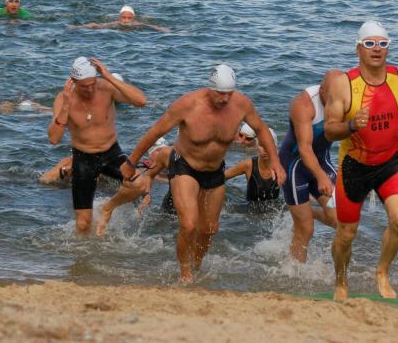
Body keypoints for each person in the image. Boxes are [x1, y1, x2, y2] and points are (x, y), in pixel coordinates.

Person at [122, 64, 285, 282]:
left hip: (215, 170)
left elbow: (261, 130)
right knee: (189, 224)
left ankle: (196, 265)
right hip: (185, 166)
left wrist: (276, 162)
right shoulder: (187, 105)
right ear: (210, 88)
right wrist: (131, 162)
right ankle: (185, 273)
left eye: (229, 93)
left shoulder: (242, 105)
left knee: (209, 229)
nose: (225, 99)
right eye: (220, 93)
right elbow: (154, 132)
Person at [324, 20, 398, 301]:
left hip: (390, 162)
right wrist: (351, 125)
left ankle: (382, 272)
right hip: (354, 167)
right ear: (358, 48)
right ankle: (341, 281)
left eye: (382, 44)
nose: (376, 49)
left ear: (388, 48)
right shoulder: (343, 84)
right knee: (346, 234)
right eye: (369, 44)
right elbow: (329, 130)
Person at [47, 57, 147, 234]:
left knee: (139, 184)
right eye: (84, 86)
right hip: (83, 159)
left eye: (93, 84)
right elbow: (54, 139)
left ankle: (107, 208)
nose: (90, 89)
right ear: (74, 81)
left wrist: (108, 76)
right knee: (83, 225)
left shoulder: (106, 88)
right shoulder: (63, 99)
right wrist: (66, 105)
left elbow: (141, 101)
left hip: (111, 153)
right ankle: (83, 252)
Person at [281, 70, 342, 262]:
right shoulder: (303, 104)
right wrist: (321, 177)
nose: (335, 105)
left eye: (338, 99)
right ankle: (296, 272)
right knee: (306, 230)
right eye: (330, 99)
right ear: (322, 90)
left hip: (322, 160)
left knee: (341, 220)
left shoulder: (345, 99)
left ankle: (310, 213)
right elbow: (305, 149)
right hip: (294, 166)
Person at [224, 124, 281, 203]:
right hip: (248, 209)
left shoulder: (281, 166)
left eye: (269, 145)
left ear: (275, 147)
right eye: (262, 145)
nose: (265, 150)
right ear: (257, 147)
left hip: (275, 211)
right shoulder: (249, 165)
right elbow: (221, 177)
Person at [75, 5, 169, 32]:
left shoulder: (137, 23)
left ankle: (146, 17)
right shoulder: (114, 23)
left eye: (129, 18)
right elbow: (96, 25)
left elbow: (153, 26)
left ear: (133, 18)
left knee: (146, 20)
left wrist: (164, 30)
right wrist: (80, 27)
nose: (126, 20)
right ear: (119, 18)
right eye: (124, 18)